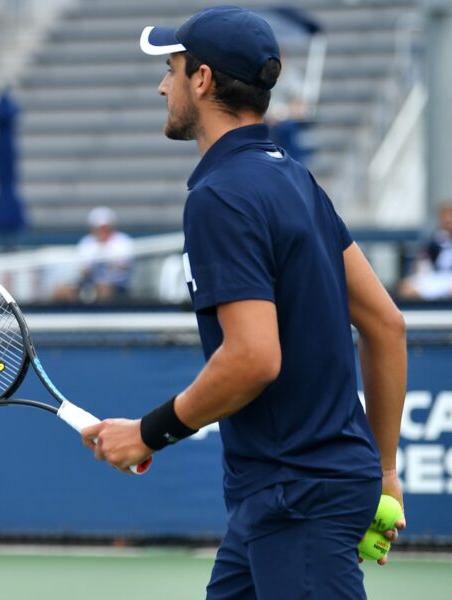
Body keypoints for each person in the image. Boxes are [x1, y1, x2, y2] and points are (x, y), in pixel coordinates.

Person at [81, 7, 408, 599]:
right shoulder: (296, 179)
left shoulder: (220, 195)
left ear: (201, 80)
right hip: (294, 493)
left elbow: (255, 357)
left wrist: (148, 433)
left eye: (171, 69)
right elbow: (386, 326)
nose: (162, 85)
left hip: (295, 497)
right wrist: (384, 474)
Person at [53, 206, 134, 303]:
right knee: (61, 291)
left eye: (105, 228)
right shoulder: (86, 242)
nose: (102, 231)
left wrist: (105, 257)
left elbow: (123, 267)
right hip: (89, 283)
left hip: (116, 285)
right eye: (99, 228)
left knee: (103, 289)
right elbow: (83, 271)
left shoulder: (122, 241)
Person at [398, 203, 452, 300]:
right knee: (406, 287)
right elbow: (423, 260)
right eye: (446, 218)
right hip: (437, 276)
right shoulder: (434, 239)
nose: (449, 221)